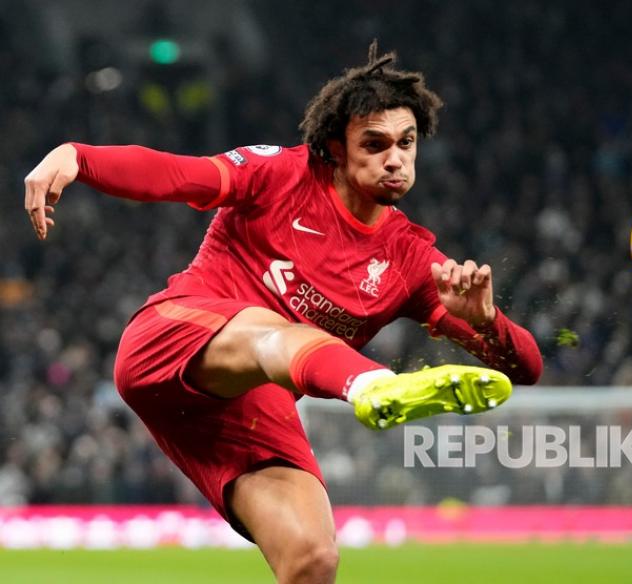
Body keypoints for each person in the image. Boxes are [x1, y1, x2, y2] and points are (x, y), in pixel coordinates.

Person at [23, 43, 542, 583]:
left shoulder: (411, 259)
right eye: (376, 143)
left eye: (407, 143)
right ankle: (373, 388)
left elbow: (523, 369)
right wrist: (77, 157)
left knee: (313, 558)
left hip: (252, 404)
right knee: (275, 335)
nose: (395, 158)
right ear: (336, 149)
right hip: (173, 339)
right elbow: (180, 176)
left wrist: (485, 323)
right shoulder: (282, 174)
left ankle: (368, 388)